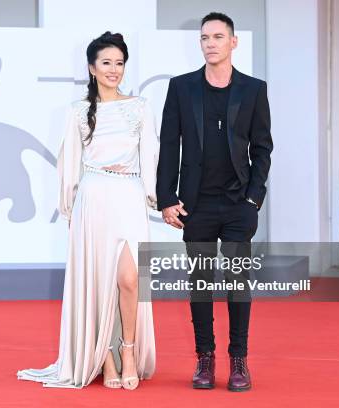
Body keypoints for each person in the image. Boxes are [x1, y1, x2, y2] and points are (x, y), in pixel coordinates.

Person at [17, 31, 158, 389]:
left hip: (129, 194)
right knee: (96, 282)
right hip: (93, 199)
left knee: (130, 279)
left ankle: (128, 349)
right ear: (92, 68)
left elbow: (151, 157)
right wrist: (70, 210)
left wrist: (156, 197)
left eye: (120, 63)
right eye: (107, 63)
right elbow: (69, 166)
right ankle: (106, 358)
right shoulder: (78, 112)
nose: (114, 70)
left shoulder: (139, 106)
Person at [156, 12, 272, 392]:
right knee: (201, 282)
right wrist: (167, 199)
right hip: (197, 205)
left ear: (233, 42)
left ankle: (239, 359)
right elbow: (169, 145)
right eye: (205, 37)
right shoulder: (182, 88)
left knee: (239, 281)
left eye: (218, 36)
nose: (210, 43)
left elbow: (263, 148)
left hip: (239, 204)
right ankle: (205, 359)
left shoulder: (254, 90)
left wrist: (254, 198)